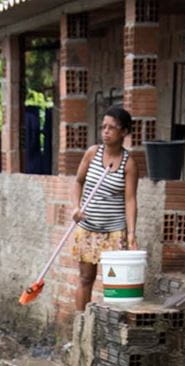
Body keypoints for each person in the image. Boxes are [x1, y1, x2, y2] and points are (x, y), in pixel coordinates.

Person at [71, 105, 138, 312]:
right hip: (88, 226)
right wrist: (76, 207)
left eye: (112, 128)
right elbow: (78, 182)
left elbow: (130, 200)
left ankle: (112, 330)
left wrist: (132, 234)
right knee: (85, 278)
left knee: (116, 284)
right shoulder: (92, 154)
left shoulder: (129, 164)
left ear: (124, 132)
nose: (106, 132)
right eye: (104, 127)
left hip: (114, 231)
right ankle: (80, 327)